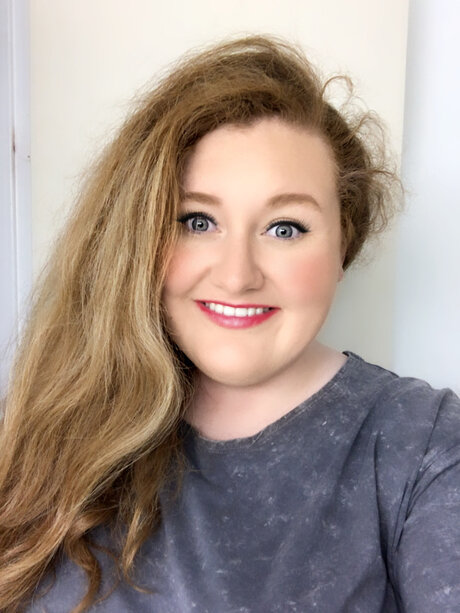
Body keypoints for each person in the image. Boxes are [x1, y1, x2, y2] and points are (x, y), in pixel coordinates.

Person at [1, 35, 459, 613]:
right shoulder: (50, 420)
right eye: (198, 221)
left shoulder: (422, 448)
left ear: (343, 246)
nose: (237, 276)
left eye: (285, 228)